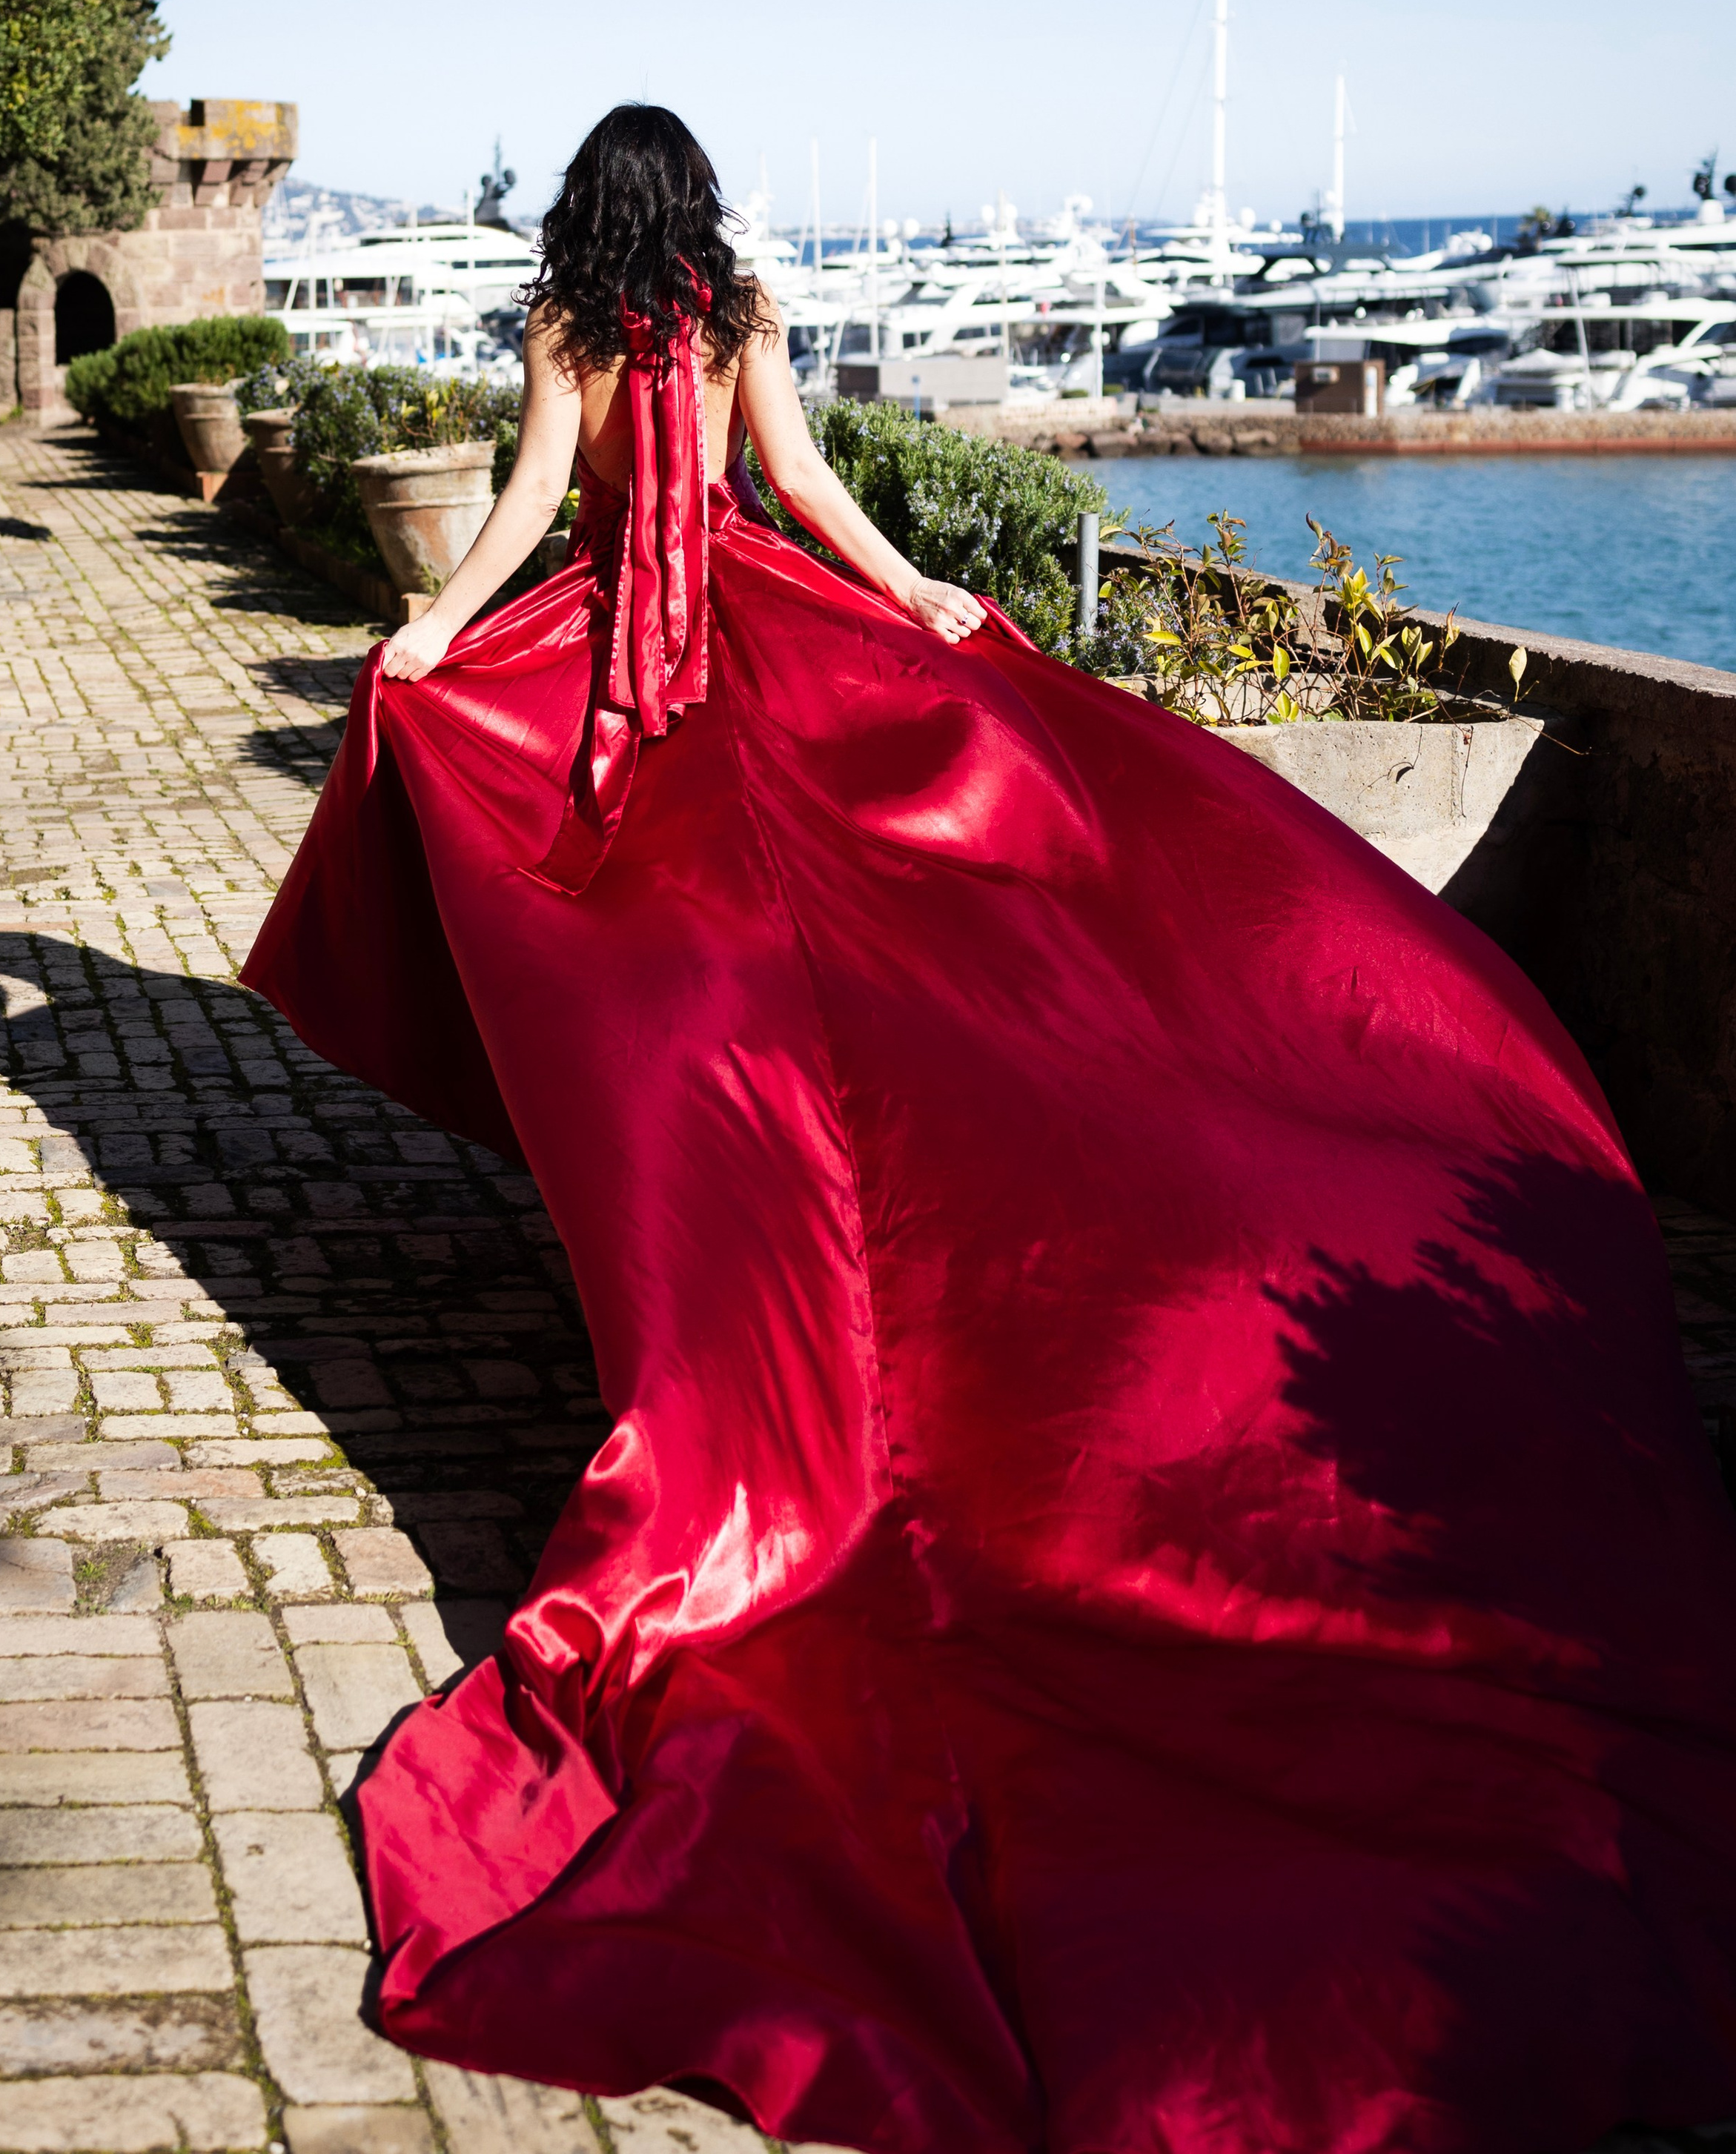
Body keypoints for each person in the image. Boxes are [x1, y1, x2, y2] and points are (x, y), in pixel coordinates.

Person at [244, 104, 1736, 2154]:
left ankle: (736, 1322)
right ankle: (788, 1307)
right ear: (701, 215)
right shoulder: (732, 310)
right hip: (762, 665)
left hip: (636, 698)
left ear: (588, 214)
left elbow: (523, 521)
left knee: (690, 1037)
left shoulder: (571, 333)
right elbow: (803, 487)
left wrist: (424, 640)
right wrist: (915, 587)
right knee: (855, 1010)